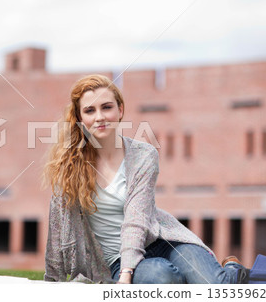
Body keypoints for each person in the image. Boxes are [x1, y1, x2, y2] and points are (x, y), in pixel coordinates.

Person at [43, 74, 245, 284]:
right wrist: (52, 282)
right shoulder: (68, 165)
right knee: (163, 276)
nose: (99, 117)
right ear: (79, 118)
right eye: (90, 110)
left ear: (120, 110)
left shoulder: (143, 155)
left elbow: (136, 218)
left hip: (163, 241)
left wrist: (126, 275)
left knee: (216, 285)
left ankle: (231, 268)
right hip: (116, 260)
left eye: (106, 107)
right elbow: (58, 229)